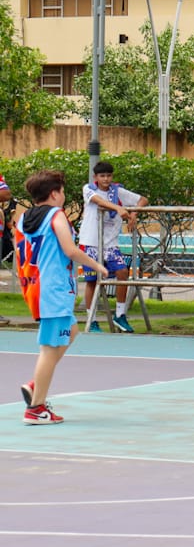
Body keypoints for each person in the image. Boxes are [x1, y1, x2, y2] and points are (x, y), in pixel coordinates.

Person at [16, 170, 108, 425]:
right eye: (63, 192)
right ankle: (36, 409)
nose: (64, 196)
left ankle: (37, 384)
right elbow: (69, 250)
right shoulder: (56, 215)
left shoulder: (24, 218)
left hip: (37, 287)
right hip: (54, 289)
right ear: (54, 193)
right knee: (48, 349)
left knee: (71, 329)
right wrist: (96, 265)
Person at [77, 161, 148, 333]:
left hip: (110, 244)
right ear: (96, 177)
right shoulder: (89, 189)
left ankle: (120, 314)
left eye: (109, 175)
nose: (106, 179)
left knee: (123, 272)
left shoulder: (118, 191)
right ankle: (92, 319)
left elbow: (142, 199)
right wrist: (118, 207)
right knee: (92, 280)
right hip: (91, 242)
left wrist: (133, 213)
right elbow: (98, 201)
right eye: (102, 176)